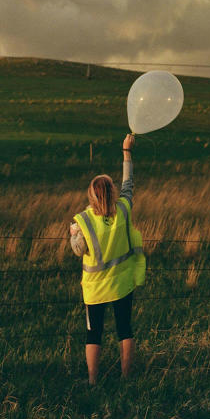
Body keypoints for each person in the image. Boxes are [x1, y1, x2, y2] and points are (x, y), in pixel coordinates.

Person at [69, 134, 146, 384]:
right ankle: (126, 377)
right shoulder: (123, 209)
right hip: (122, 283)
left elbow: (78, 250)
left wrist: (73, 235)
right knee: (125, 329)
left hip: (94, 290)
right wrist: (126, 152)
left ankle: (93, 381)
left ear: (91, 196)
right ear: (112, 193)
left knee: (94, 334)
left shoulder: (84, 221)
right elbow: (128, 184)